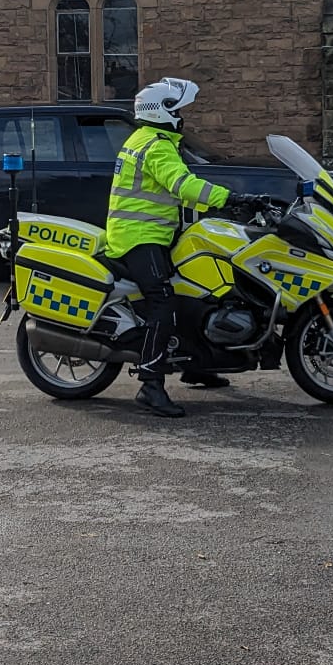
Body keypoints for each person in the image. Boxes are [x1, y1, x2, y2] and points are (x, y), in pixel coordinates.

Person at [104, 78, 243, 419]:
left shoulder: (145, 139)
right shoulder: (156, 145)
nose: (182, 115)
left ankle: (196, 365)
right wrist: (230, 198)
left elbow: (173, 189)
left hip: (149, 232)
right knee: (163, 300)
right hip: (139, 237)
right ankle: (150, 384)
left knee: (194, 289)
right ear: (162, 111)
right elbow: (182, 184)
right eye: (177, 108)